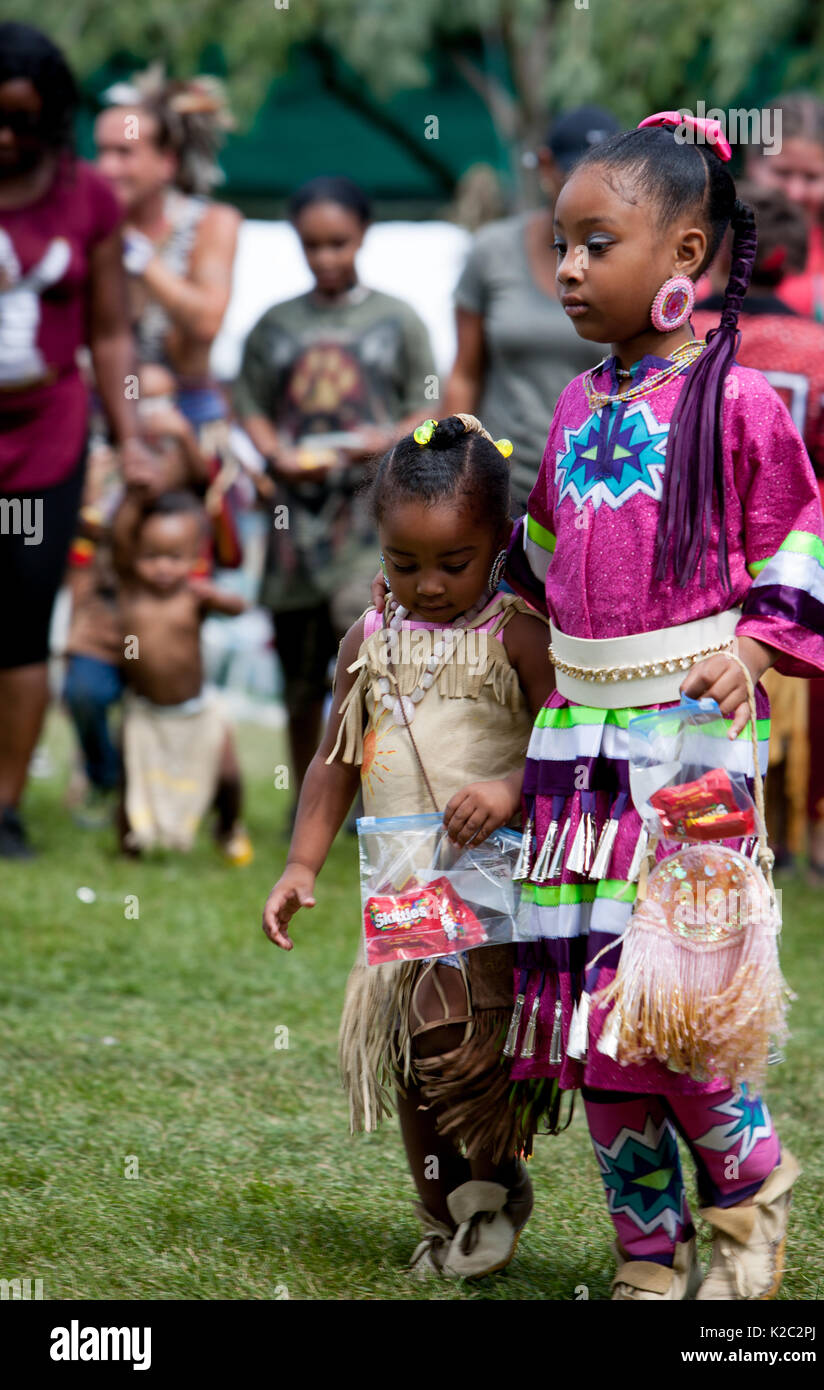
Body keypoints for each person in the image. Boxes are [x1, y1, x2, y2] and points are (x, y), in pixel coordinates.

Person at [503, 113, 824, 1300]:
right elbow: (533, 567)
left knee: (677, 1006)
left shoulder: (735, 404)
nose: (570, 268)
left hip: (686, 744)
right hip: (578, 751)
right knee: (597, 1015)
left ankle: (747, 1195)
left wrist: (751, 647)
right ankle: (649, 1250)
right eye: (560, 244)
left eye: (598, 241)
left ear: (684, 257)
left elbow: (793, 545)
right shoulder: (576, 406)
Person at [262, 415, 555, 1279]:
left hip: (496, 881)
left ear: (498, 543)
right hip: (403, 883)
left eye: (452, 564)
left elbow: (565, 742)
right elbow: (333, 760)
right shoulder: (368, 643)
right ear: (377, 545)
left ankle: (495, 1187)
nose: (427, 586)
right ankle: (441, 1215)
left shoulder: (518, 634)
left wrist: (508, 792)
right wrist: (299, 865)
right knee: (411, 1061)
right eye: (403, 563)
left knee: (466, 1044)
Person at [0, 22, 155, 859]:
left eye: (22, 120)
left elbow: (112, 333)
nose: (5, 137)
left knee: (20, 620)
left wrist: (128, 435)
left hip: (38, 450)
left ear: (51, 117)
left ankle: (6, 805)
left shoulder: (86, 197)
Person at [235, 176, 437, 812]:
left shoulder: (397, 319)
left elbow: (426, 404)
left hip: (369, 524)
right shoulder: (274, 325)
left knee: (372, 668)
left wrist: (384, 441)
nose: (325, 256)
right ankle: (307, 804)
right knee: (299, 676)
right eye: (312, 245)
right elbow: (248, 405)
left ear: (363, 237)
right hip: (294, 527)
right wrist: (274, 455)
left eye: (337, 243)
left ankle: (375, 800)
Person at [693, 182, 824, 890]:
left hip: (693, 560)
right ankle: (788, 834)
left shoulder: (681, 339)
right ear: (788, 259)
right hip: (779, 556)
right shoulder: (821, 350)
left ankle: (701, 833)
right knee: (765, 684)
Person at [444, 106, 618, 509]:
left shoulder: (630, 267)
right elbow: (465, 373)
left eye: (606, 179)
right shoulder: (493, 251)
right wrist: (450, 468)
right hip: (499, 488)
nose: (587, 188)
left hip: (594, 488)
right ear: (545, 166)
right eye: (573, 173)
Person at [63, 364, 214, 825]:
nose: (154, 413)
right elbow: (79, 534)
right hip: (104, 613)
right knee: (83, 693)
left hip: (161, 618)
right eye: (142, 401)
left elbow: (204, 487)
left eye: (164, 402)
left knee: (157, 714)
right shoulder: (96, 461)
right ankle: (102, 774)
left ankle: (161, 799)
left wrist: (183, 438)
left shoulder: (180, 462)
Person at [95, 65, 240, 435]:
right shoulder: (86, 223)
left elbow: (206, 322)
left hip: (188, 414)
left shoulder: (211, 223)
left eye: (124, 152)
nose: (107, 168)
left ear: (166, 163)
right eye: (101, 152)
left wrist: (137, 253)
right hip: (99, 409)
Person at [112, 490, 251, 862]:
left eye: (173, 558)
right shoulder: (132, 593)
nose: (161, 568)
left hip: (197, 710)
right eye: (150, 557)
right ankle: (130, 843)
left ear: (193, 559)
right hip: (146, 712)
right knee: (130, 778)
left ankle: (227, 827)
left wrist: (217, 597)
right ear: (133, 558)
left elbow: (240, 607)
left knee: (228, 774)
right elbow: (120, 534)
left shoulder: (193, 597)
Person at [746, 94, 824, 385]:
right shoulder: (722, 240)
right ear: (753, 163)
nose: (795, 192)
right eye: (782, 173)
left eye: (812, 178)